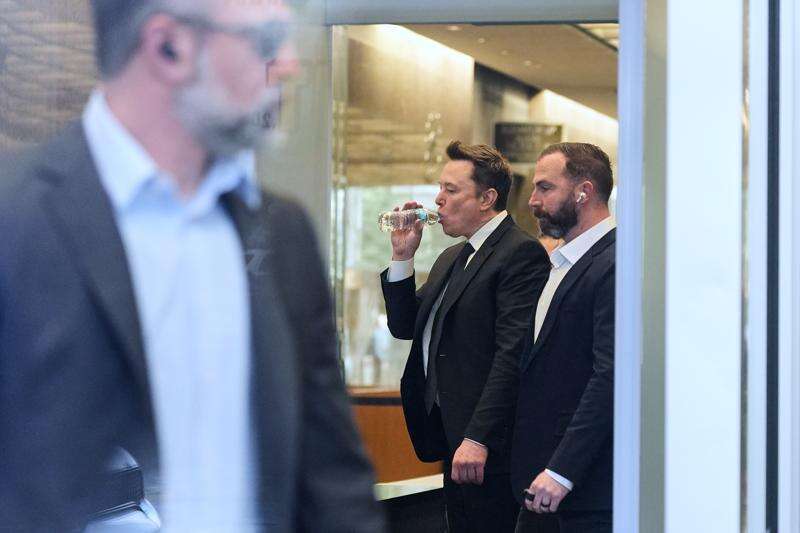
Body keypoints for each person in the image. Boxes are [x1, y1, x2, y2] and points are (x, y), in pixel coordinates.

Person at [0, 0, 384, 531]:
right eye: (265, 41)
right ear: (169, 47)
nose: (288, 64)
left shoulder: (281, 233)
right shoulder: (16, 220)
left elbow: (333, 480)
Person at [380, 141, 551, 532]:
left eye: (451, 190)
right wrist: (402, 257)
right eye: (440, 188)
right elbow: (404, 326)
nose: (438, 200)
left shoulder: (519, 253)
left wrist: (479, 437)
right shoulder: (452, 258)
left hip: (488, 446)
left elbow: (511, 355)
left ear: (487, 198)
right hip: (449, 436)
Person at [511, 142, 616, 533]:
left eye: (545, 187)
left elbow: (609, 376)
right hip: (540, 482)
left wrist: (562, 470)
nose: (533, 201)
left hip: (581, 489)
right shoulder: (562, 262)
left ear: (583, 192)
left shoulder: (614, 263)